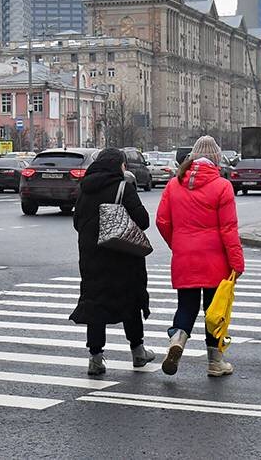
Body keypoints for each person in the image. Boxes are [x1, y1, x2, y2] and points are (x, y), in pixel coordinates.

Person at [156, 135, 245, 377]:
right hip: (215, 260)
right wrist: (237, 263)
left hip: (185, 257)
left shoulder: (174, 184)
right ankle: (215, 362)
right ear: (216, 160)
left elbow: (162, 221)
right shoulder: (222, 186)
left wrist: (178, 244)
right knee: (214, 311)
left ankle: (177, 339)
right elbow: (229, 229)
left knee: (186, 306)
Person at [69, 148, 155, 376]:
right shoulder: (122, 187)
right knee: (130, 301)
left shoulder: (84, 188)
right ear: (119, 165)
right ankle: (138, 352)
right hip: (122, 256)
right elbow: (143, 221)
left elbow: (77, 222)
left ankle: (96, 358)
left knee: (95, 304)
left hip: (92, 257)